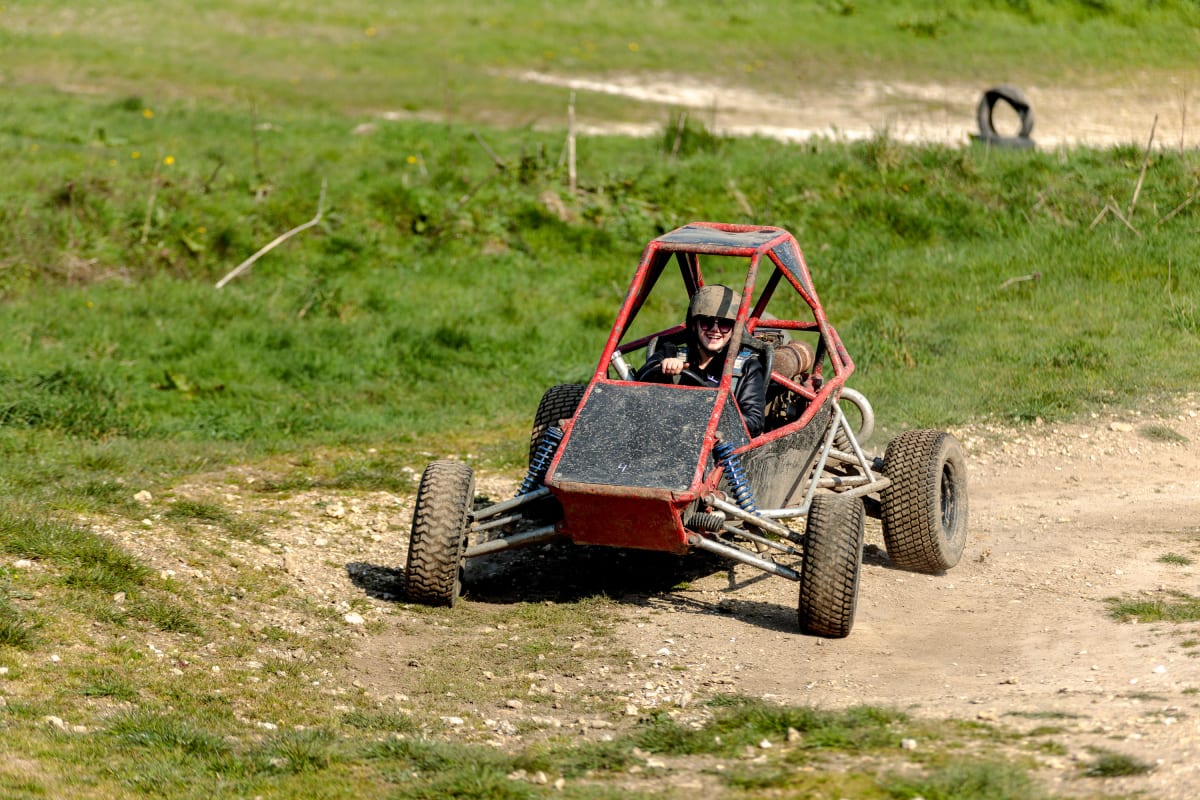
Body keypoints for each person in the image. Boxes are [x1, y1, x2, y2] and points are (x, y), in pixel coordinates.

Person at [635, 284, 766, 436]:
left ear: (734, 329)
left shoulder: (746, 367)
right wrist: (661, 369)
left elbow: (755, 422)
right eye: (706, 322)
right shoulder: (672, 352)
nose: (714, 330)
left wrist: (709, 417)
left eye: (724, 324)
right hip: (667, 437)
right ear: (694, 324)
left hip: (717, 447)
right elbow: (638, 383)